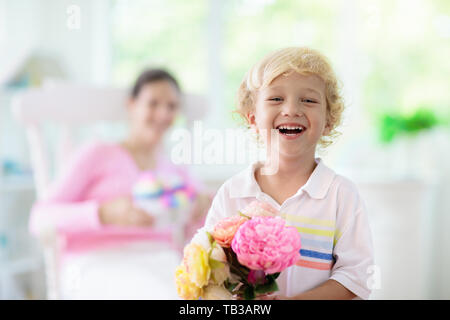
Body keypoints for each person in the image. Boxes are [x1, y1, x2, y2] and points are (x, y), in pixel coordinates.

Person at [197, 47, 374, 300]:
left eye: (309, 100)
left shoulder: (341, 195)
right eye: (276, 99)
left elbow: (356, 278)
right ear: (253, 119)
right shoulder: (232, 193)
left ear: (329, 121)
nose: (291, 109)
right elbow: (211, 273)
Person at [29, 69, 210, 299]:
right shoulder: (97, 153)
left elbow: (198, 230)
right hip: (96, 261)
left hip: (162, 259)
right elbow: (39, 218)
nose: (163, 113)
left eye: (171, 106)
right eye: (153, 103)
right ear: (132, 105)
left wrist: (200, 209)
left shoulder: (177, 170)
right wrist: (102, 214)